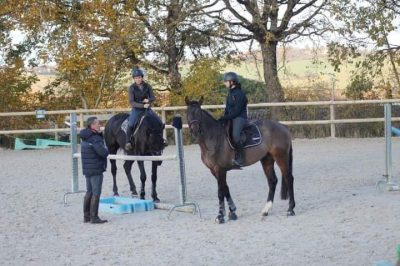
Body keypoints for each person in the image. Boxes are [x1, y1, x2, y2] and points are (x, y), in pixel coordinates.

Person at [125, 68, 163, 151]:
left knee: (159, 122)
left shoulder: (147, 86)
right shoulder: (132, 88)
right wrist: (142, 106)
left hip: (147, 109)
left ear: (142, 78)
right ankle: (128, 142)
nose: (138, 79)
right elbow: (132, 102)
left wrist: (149, 100)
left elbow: (153, 97)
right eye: (136, 78)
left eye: (139, 77)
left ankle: (161, 139)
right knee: (130, 124)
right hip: (137, 109)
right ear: (134, 79)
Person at [80, 117, 109, 224]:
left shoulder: (85, 136)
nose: (99, 125)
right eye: (97, 123)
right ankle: (94, 217)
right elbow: (103, 153)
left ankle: (86, 216)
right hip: (96, 168)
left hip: (87, 168)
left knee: (89, 192)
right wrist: (106, 148)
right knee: (96, 193)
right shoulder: (95, 138)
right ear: (92, 125)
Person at [218, 72, 248, 167]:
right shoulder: (229, 94)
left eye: (226, 81)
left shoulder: (240, 94)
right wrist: (223, 118)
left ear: (232, 82)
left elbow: (237, 111)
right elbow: (227, 109)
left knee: (236, 136)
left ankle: (241, 158)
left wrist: (226, 117)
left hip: (240, 117)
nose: (224, 83)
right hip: (231, 117)